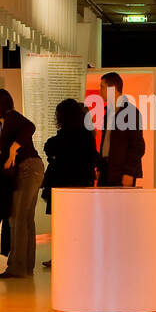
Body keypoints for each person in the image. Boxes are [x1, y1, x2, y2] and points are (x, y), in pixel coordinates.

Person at [0, 88, 44, 278]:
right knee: (25, 218)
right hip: (32, 169)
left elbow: (30, 127)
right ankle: (25, 266)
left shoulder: (11, 116)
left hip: (29, 169)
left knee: (18, 218)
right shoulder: (7, 121)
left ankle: (17, 267)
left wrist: (13, 148)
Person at [40, 98, 101, 268]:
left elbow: (49, 147)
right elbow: (92, 157)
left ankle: (61, 257)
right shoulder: (87, 135)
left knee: (62, 224)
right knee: (79, 223)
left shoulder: (65, 135)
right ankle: (79, 257)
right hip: (82, 184)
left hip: (63, 185)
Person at [96, 71, 145, 187]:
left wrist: (129, 172)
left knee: (120, 204)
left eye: (102, 87)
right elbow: (106, 143)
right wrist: (100, 167)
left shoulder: (131, 113)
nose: (100, 91)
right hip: (107, 170)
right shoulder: (109, 112)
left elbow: (137, 146)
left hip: (121, 172)